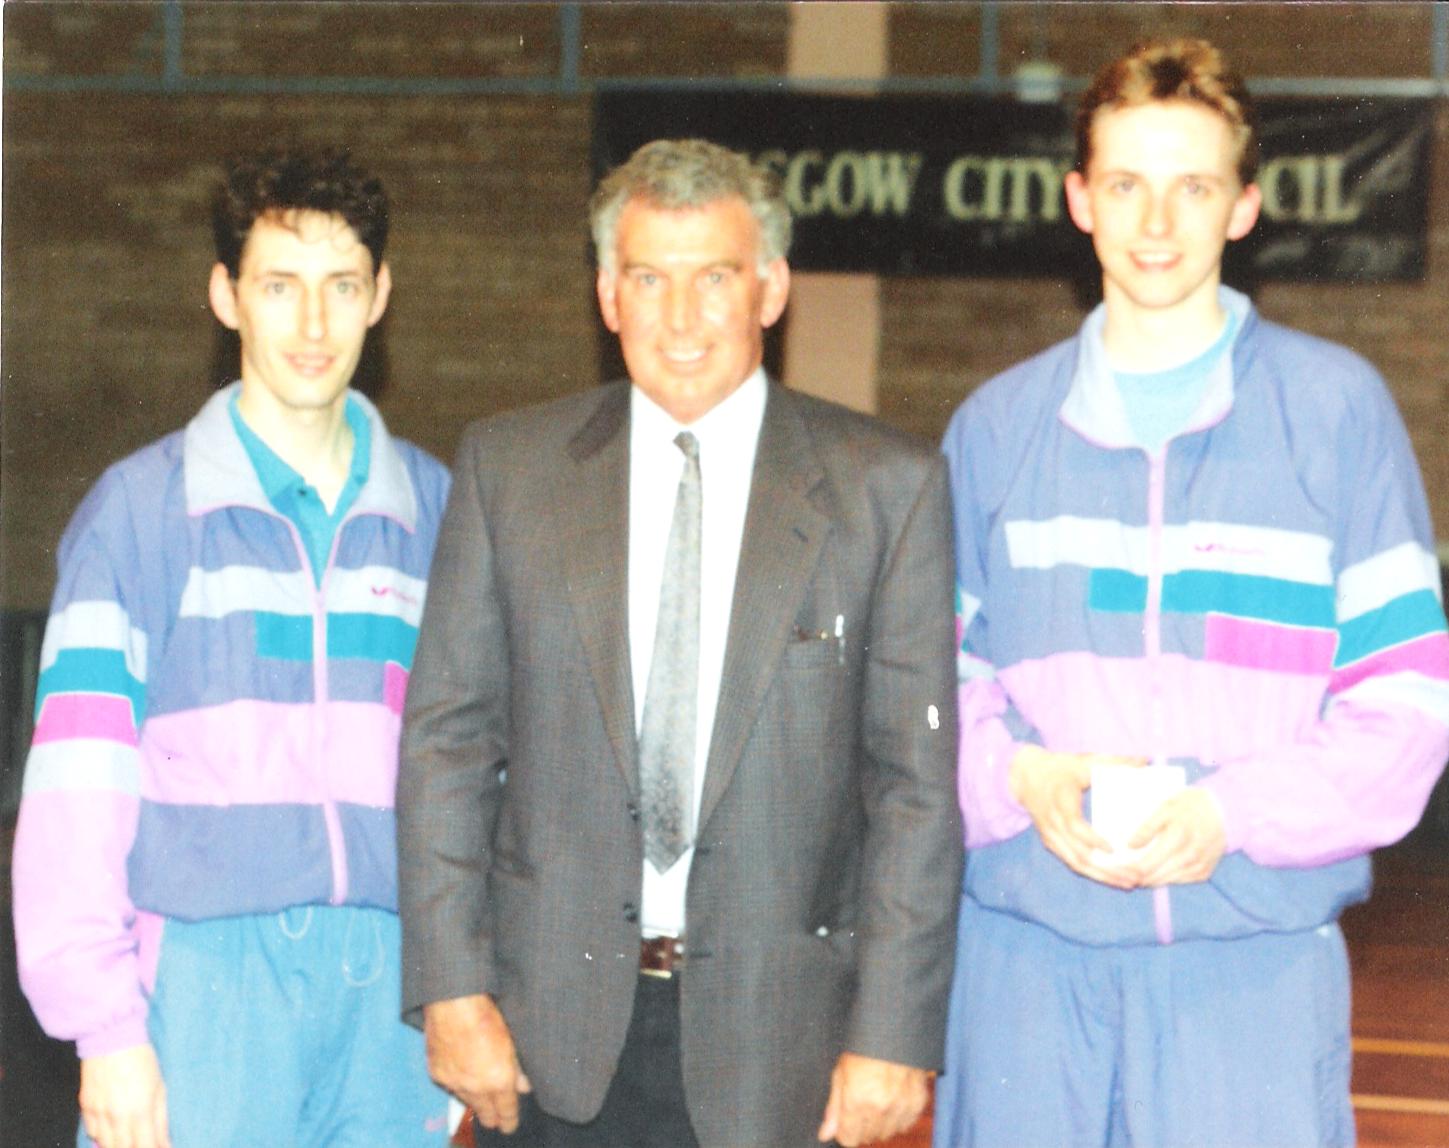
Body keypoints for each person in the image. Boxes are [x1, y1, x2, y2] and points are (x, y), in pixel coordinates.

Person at [933, 37, 1449, 1148]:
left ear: (1245, 206)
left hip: (1249, 978)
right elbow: (929, 698)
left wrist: (1230, 813)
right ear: (1078, 200)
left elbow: (1410, 710)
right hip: (1025, 976)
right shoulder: (993, 432)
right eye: (1126, 184)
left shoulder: (1337, 415)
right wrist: (1022, 774)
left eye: (1192, 187)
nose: (1156, 225)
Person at [396, 137, 963, 1148]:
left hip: (783, 1047)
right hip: (547, 1037)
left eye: (716, 278)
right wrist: (450, 985)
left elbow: (913, 789)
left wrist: (893, 1030)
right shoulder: (508, 470)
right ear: (609, 292)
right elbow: (448, 744)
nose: (683, 318)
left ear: (773, 287)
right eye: (650, 278)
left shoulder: (889, 487)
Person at [12, 148, 453, 1148]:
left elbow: (481, 774)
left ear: (379, 295)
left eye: (341, 287)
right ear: (226, 295)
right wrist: (106, 1029)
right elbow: (79, 783)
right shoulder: (139, 513)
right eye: (279, 286)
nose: (311, 325)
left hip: (391, 998)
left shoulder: (439, 513)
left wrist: (466, 988)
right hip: (203, 991)